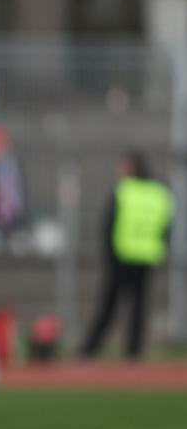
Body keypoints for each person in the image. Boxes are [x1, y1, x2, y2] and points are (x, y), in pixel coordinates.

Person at [80, 151, 173, 360]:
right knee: (139, 305)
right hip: (147, 256)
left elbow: (108, 225)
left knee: (109, 305)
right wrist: (159, 249)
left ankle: (90, 349)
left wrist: (109, 255)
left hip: (121, 256)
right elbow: (167, 226)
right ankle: (134, 352)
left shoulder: (124, 191)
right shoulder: (159, 193)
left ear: (132, 168)